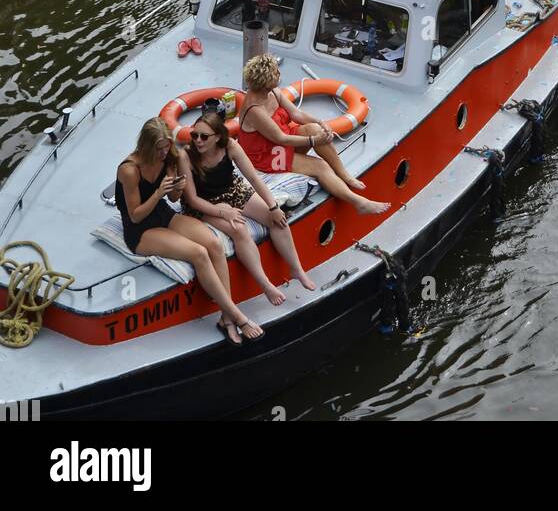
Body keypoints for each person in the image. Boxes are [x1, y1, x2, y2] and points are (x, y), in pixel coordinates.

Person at [115, 118, 263, 347]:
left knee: (213, 244)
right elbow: (135, 215)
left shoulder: (169, 158)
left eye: (167, 147)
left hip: (163, 214)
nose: (165, 152)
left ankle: (226, 317)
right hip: (140, 229)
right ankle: (238, 317)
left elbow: (173, 199)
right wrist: (157, 193)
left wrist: (177, 188)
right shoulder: (129, 170)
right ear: (146, 146)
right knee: (198, 253)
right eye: (159, 149)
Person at [178, 103, 314, 302]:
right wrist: (223, 212)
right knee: (239, 229)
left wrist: (273, 207)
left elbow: (253, 178)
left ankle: (296, 269)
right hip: (204, 202)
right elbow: (192, 199)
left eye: (204, 136)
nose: (198, 140)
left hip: (232, 190)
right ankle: (265, 285)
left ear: (217, 137)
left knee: (276, 219)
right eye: (195, 135)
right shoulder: (186, 156)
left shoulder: (230, 146)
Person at [237, 54, 390, 216]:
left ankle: (343, 174)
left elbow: (296, 114)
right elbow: (280, 138)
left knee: (313, 128)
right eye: (276, 73)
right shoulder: (255, 111)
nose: (279, 74)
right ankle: (359, 203)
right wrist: (314, 140)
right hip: (266, 155)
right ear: (265, 83)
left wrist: (320, 123)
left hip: (280, 141)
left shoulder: (273, 92)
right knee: (320, 166)